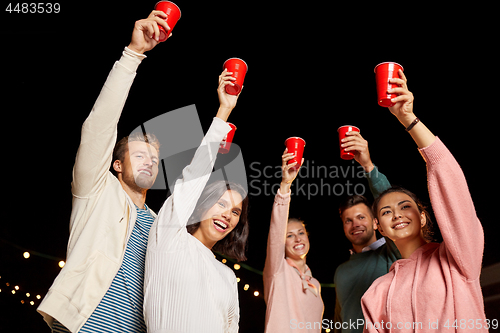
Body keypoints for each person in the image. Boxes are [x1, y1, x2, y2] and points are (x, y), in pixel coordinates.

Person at [37, 11, 172, 332]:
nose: (149, 161)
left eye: (154, 158)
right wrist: (133, 54)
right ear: (116, 164)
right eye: (139, 154)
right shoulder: (96, 192)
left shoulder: (159, 224)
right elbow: (99, 128)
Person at [361, 70, 487, 332]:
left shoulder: (458, 259)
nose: (397, 214)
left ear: (423, 216)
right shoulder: (376, 293)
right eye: (386, 212)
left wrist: (407, 118)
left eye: (405, 206)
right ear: (379, 228)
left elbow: (450, 181)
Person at [143, 69, 248, 333]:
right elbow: (194, 176)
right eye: (221, 204)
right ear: (201, 204)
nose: (228, 215)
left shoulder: (227, 276)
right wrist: (224, 111)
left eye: (235, 212)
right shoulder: (169, 238)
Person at [333, 133, 400, 333]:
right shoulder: (341, 271)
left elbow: (391, 205)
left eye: (361, 217)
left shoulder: (392, 254)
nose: (355, 224)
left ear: (375, 221)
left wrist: (368, 165)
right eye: (348, 220)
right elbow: (339, 320)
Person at [263, 150, 324, 333]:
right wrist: (285, 185)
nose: (297, 238)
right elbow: (275, 232)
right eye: (289, 235)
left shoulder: (315, 283)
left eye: (300, 233)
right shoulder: (278, 270)